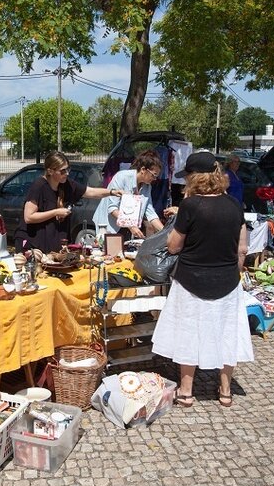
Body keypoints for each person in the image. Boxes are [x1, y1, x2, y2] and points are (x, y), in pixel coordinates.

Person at [151, 151, 254, 408]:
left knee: (189, 332)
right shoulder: (234, 204)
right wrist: (233, 272)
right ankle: (226, 390)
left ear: (194, 177)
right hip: (227, 279)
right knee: (227, 333)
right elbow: (242, 249)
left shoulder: (190, 206)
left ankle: (186, 392)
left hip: (191, 280)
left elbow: (173, 246)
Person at [14, 151, 123, 253]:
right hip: (32, 244)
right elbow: (29, 217)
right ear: (50, 171)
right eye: (62, 171)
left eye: (68, 169)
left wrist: (112, 192)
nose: (66, 173)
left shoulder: (67, 184)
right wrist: (56, 212)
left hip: (52, 245)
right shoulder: (39, 186)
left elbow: (90, 192)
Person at [92, 150, 165, 240]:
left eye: (156, 177)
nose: (154, 179)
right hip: (108, 227)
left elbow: (150, 213)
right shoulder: (121, 177)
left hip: (127, 229)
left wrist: (164, 232)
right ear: (143, 170)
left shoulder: (147, 187)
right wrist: (131, 226)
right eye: (153, 175)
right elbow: (112, 209)